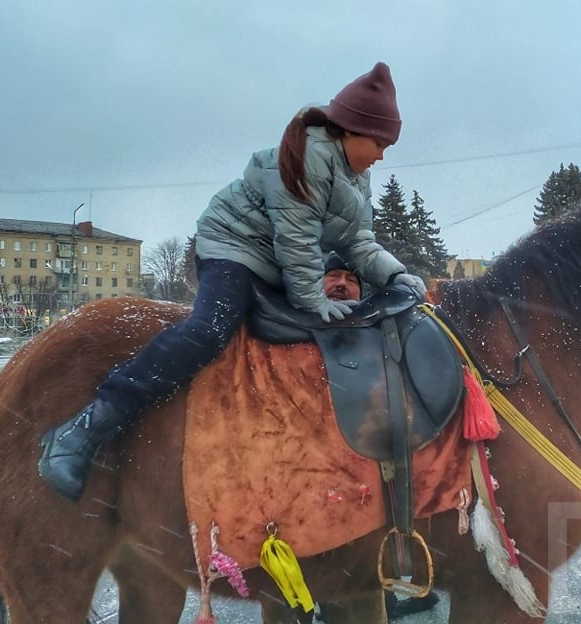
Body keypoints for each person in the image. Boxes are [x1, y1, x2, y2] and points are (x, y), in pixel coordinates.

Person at [38, 62, 427, 502]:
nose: (381, 155)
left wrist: (395, 273)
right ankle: (84, 428)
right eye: (379, 143)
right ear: (352, 131)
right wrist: (310, 297)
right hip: (234, 246)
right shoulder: (313, 156)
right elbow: (298, 238)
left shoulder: (357, 176)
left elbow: (358, 240)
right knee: (210, 330)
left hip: (276, 258)